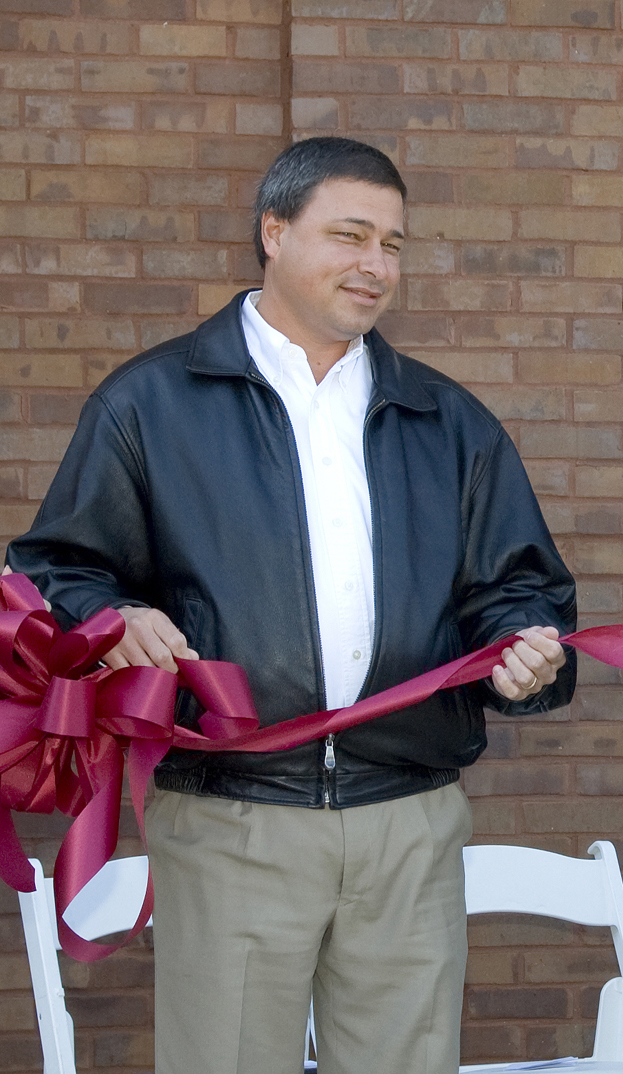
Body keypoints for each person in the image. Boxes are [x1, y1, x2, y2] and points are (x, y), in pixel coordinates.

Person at [7, 136, 577, 1074]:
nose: (376, 265)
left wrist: (524, 649)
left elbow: (519, 589)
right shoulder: (149, 404)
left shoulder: (451, 421)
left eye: (393, 244)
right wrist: (112, 623)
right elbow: (56, 572)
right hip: (231, 816)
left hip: (409, 819)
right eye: (350, 235)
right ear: (273, 232)